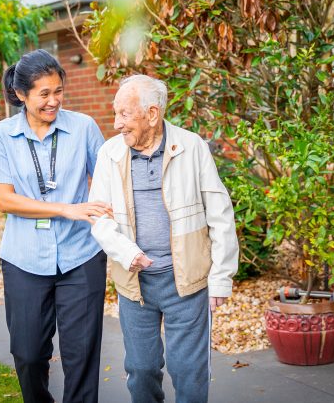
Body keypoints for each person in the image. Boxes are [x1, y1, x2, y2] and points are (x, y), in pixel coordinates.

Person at [89, 74, 239, 403]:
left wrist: (221, 278)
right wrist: (126, 253)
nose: (116, 124)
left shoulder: (192, 146)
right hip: (134, 282)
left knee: (189, 371)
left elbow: (220, 214)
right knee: (141, 370)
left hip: (185, 281)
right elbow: (98, 217)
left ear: (153, 114)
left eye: (124, 114)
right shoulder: (109, 154)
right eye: (115, 114)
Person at [0, 49, 112, 403]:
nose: (53, 101)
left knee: (81, 356)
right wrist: (65, 209)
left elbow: (107, 181)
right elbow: (4, 199)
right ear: (21, 94)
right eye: (44, 94)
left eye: (58, 91)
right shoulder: (0, 136)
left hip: (81, 257)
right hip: (23, 259)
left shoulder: (83, 127)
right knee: (28, 354)